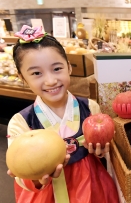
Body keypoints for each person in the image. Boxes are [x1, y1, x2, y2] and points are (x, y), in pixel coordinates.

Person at [6, 25, 119, 203]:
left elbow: (103, 153)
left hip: (91, 186)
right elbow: (20, 172)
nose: (50, 81)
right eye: (36, 73)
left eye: (57, 69)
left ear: (69, 67)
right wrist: (34, 178)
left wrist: (101, 151)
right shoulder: (21, 123)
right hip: (47, 194)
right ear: (22, 78)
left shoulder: (90, 107)